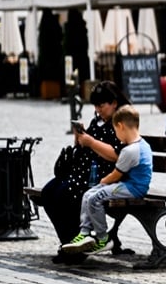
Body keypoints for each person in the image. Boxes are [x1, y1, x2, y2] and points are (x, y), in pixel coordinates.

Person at [41, 81, 130, 263]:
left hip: (107, 176)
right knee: (48, 192)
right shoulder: (97, 121)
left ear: (114, 103)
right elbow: (86, 148)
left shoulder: (122, 122)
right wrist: (79, 138)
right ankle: (69, 243)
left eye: (101, 106)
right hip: (84, 172)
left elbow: (118, 156)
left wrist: (91, 142)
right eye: (95, 106)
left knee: (67, 194)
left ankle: (77, 247)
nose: (98, 110)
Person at [61, 105, 153, 255]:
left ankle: (103, 238)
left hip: (134, 188)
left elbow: (115, 175)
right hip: (126, 184)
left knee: (95, 198)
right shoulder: (141, 145)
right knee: (88, 194)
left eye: (116, 131)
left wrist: (102, 182)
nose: (116, 135)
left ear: (121, 126)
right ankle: (84, 233)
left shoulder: (130, 151)